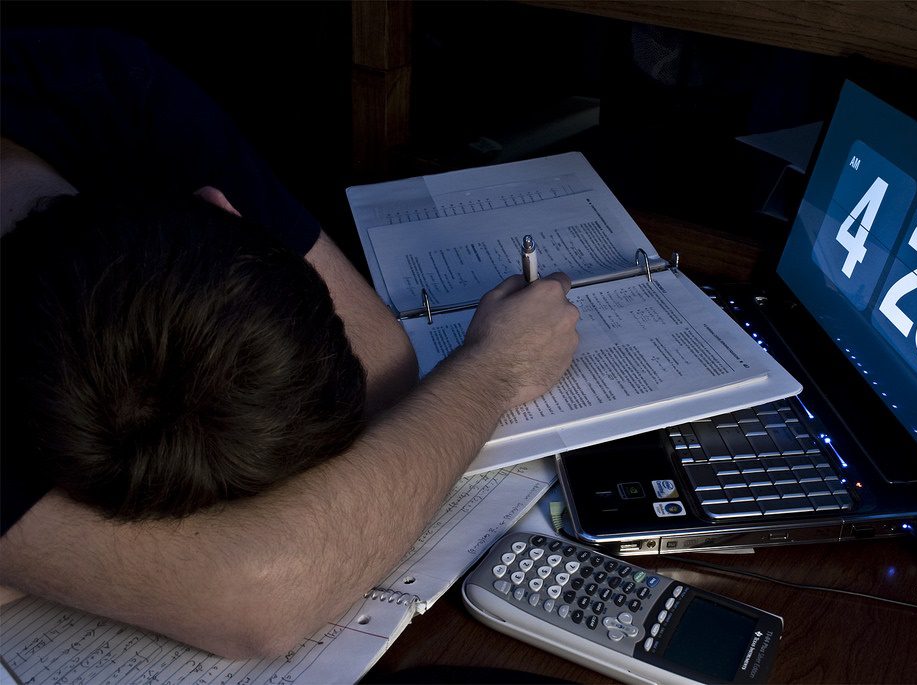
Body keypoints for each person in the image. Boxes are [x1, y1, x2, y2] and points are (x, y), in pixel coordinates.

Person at [0, 28, 580, 659]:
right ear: (223, 208)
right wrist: (494, 372)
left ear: (219, 209)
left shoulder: (101, 81)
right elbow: (257, 599)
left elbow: (379, 369)